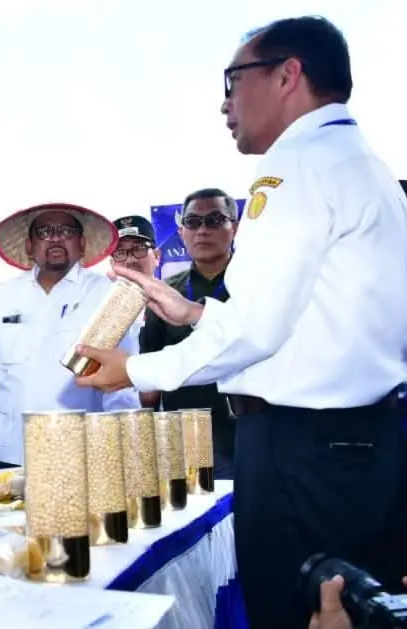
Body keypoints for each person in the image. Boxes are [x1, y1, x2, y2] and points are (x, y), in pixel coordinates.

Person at [72, 17, 407, 629]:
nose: (224, 103)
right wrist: (195, 313)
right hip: (353, 447)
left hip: (304, 453)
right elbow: (318, 323)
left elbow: (258, 330)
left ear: (287, 75)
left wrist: (134, 368)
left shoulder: (298, 166)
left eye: (233, 81)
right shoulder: (357, 162)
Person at [0, 202, 138, 468]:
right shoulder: (4, 295)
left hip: (85, 448)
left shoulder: (106, 293)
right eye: (45, 231)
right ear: (29, 246)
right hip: (15, 448)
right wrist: (9, 414)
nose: (56, 238)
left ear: (82, 243)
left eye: (66, 231)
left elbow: (123, 374)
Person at [137, 190, 238, 478]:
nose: (203, 230)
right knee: (196, 513)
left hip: (251, 426)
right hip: (186, 431)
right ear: (181, 232)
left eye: (215, 220)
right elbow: (150, 368)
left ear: (236, 227)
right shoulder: (165, 292)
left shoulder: (256, 285)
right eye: (193, 222)